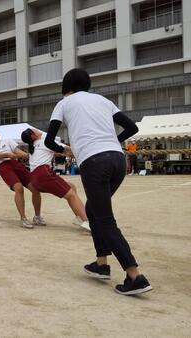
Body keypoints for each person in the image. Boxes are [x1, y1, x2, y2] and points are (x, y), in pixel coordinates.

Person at [44, 68, 151, 295]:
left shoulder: (64, 103)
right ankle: (101, 263)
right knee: (93, 210)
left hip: (95, 163)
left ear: (66, 86)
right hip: (117, 160)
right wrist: (113, 140)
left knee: (105, 220)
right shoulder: (102, 100)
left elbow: (49, 141)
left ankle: (135, 276)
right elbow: (132, 127)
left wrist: (67, 150)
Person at [20, 128, 90, 231]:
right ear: (33, 136)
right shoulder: (45, 140)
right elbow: (68, 151)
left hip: (35, 178)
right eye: (33, 130)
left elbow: (57, 152)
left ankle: (78, 217)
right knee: (71, 195)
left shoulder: (34, 146)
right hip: (43, 173)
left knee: (71, 187)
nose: (36, 129)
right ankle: (87, 221)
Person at [0, 129, 43, 229]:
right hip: (4, 166)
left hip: (16, 164)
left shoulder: (7, 141)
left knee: (35, 188)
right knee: (18, 188)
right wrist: (7, 154)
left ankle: (37, 216)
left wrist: (30, 155)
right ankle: (23, 219)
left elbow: (18, 152)